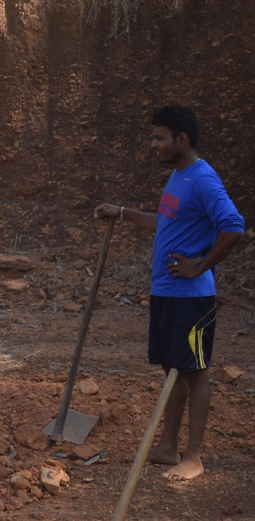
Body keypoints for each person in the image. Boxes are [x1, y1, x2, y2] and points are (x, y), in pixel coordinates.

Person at [95, 104, 245, 482]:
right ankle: (168, 447)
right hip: (166, 293)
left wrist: (199, 266)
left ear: (181, 139)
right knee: (173, 370)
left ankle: (193, 457)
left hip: (191, 297)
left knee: (195, 372)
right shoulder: (179, 177)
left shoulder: (202, 179)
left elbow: (233, 226)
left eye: (159, 138)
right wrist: (124, 212)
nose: (153, 144)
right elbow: (167, 223)